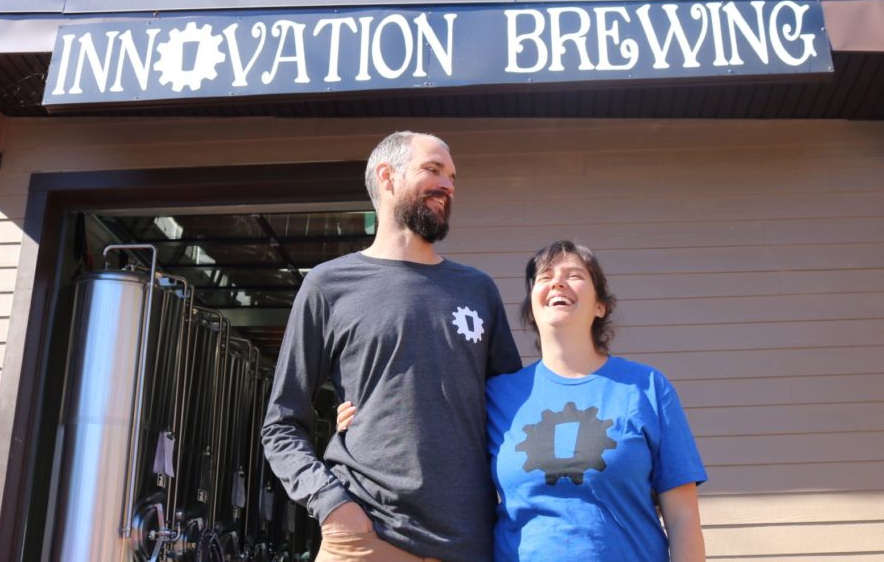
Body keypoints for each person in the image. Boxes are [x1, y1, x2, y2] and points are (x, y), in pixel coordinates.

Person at [340, 239, 707, 561]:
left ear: (601, 306)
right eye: (544, 277)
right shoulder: (496, 396)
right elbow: (423, 432)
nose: (557, 282)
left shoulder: (646, 388)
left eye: (575, 274)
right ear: (531, 308)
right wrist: (358, 423)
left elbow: (683, 518)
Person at [262, 131, 523, 562]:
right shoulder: (328, 286)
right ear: (387, 176)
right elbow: (281, 424)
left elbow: (511, 414)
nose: (448, 185)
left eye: (453, 176)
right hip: (365, 539)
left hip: (467, 542)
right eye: (433, 170)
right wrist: (331, 504)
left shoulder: (478, 290)